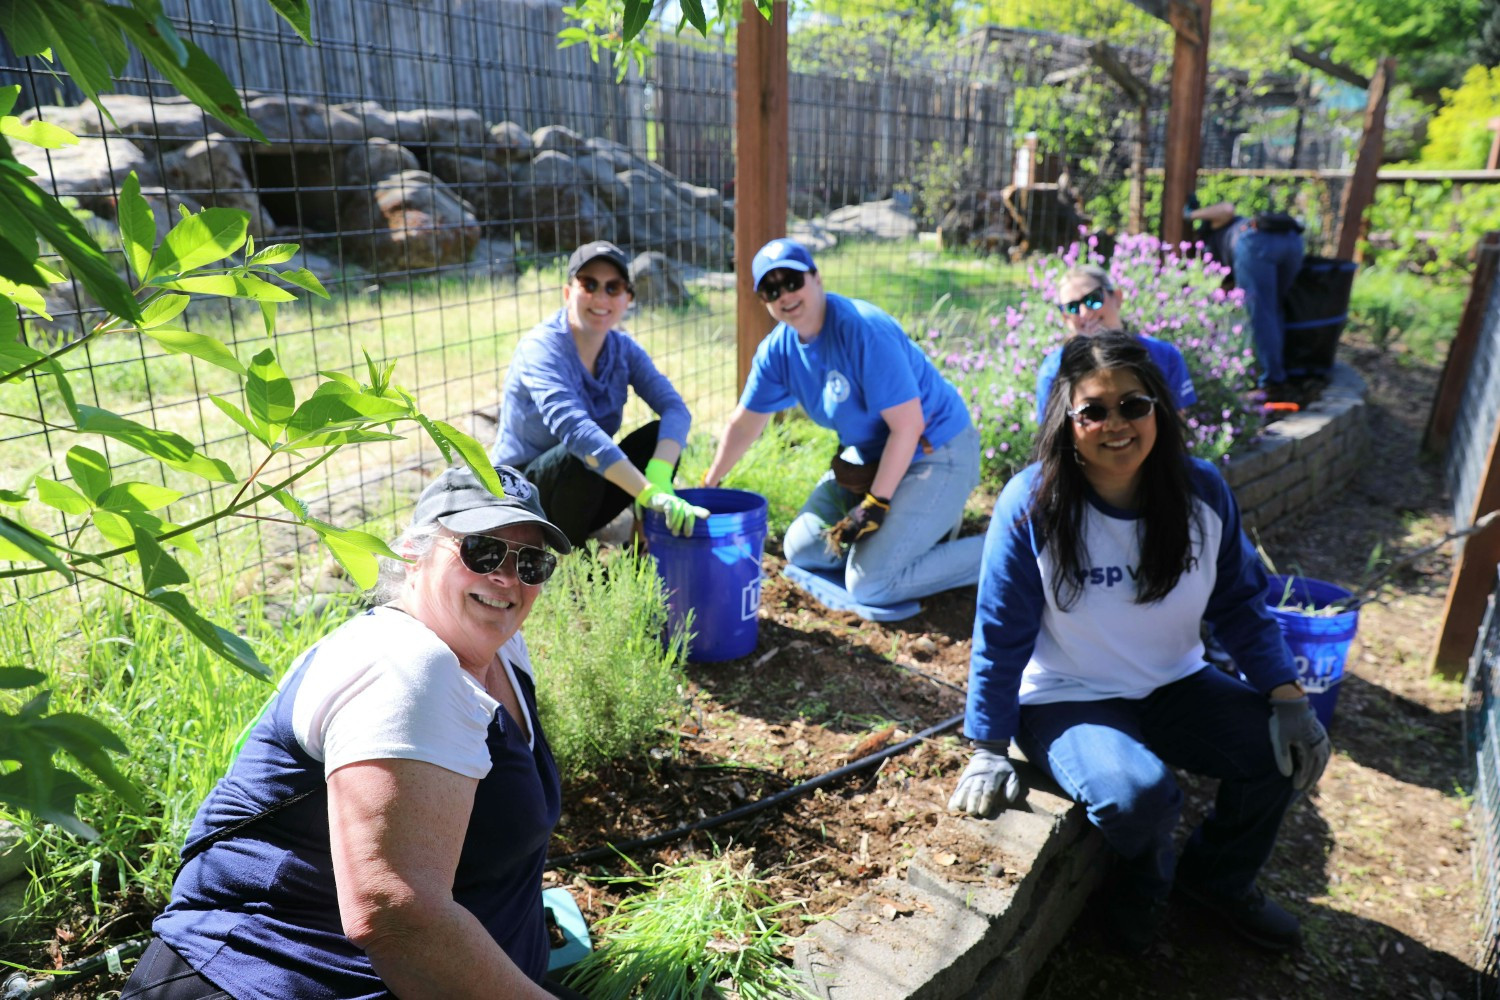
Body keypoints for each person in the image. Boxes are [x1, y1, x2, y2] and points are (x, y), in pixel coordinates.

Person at [122, 464, 586, 1000]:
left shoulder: (499, 647)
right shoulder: (407, 668)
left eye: (531, 563)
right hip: (268, 979)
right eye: (481, 551)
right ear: (414, 551)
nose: (508, 579)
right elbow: (398, 920)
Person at [949, 332, 1330, 954]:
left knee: (1276, 754)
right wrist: (988, 746)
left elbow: (1239, 602)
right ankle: (1143, 891)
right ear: (1065, 421)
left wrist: (1287, 698)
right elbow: (1000, 634)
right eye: (1093, 410)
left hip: (1176, 682)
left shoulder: (1201, 492)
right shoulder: (1031, 506)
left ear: (1158, 406)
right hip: (1067, 697)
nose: (1115, 423)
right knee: (1140, 797)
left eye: (1133, 404)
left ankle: (1216, 882)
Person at [702, 238, 984, 606]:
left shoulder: (863, 330)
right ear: (764, 301)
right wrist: (708, 485)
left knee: (870, 585)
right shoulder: (778, 351)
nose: (785, 294)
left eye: (792, 281)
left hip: (934, 453)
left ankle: (1006, 546)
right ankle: (915, 531)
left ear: (816, 278)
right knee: (802, 549)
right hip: (871, 459)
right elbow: (744, 425)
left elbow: (908, 427)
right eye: (772, 289)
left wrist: (874, 504)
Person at [490, 239, 706, 547]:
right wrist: (645, 491)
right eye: (589, 284)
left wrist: (658, 478)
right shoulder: (541, 347)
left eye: (613, 287)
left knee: (658, 437)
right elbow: (576, 432)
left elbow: (676, 410)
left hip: (582, 489)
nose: (600, 296)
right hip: (522, 496)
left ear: (627, 298)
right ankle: (570, 563)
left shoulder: (624, 349)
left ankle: (645, 546)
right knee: (582, 454)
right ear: (568, 293)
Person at [1034, 263, 1197, 423]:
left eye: (1093, 299)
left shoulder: (1164, 356)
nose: (1084, 312)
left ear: (1117, 297)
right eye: (1072, 307)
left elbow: (1176, 429)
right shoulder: (1053, 371)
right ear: (1065, 318)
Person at [1189, 200, 1306, 399]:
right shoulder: (1233, 228)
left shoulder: (1218, 225)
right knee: (1274, 308)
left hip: (1256, 246)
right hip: (1293, 242)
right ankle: (1282, 371)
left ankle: (1272, 382)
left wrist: (1189, 214)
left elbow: (1226, 207)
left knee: (1263, 313)